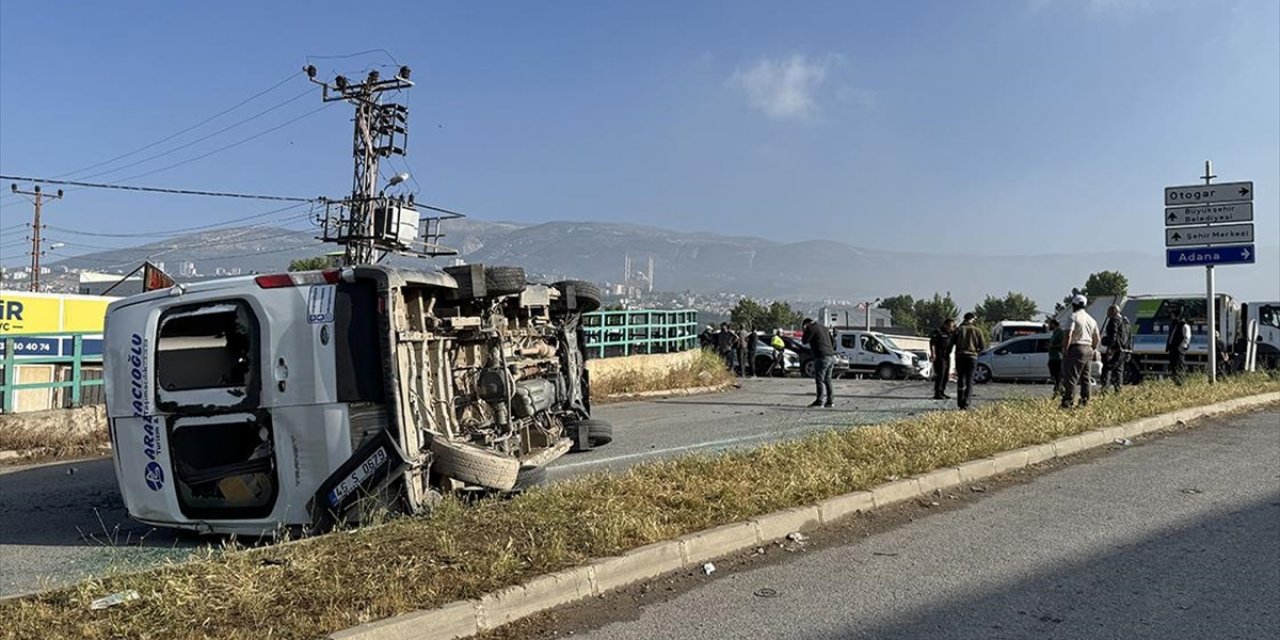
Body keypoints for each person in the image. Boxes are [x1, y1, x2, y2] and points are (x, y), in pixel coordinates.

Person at [1060, 294, 1100, 409]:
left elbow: (1068, 334)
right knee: (1085, 378)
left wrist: (1065, 349)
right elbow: (1097, 338)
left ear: (1073, 305)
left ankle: (1067, 402)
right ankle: (1084, 402)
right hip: (1088, 348)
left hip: (1076, 348)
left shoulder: (1073, 317)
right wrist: (1092, 348)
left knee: (1071, 377)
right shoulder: (1091, 320)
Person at [952, 313, 987, 410]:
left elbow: (951, 342)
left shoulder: (958, 329)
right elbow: (982, 347)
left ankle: (960, 402)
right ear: (972, 319)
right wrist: (976, 352)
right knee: (970, 380)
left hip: (960, 356)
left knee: (961, 379)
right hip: (972, 357)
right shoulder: (977, 330)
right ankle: (967, 403)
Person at [801, 318, 835, 408]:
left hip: (821, 356)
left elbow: (804, 341)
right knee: (828, 380)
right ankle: (830, 401)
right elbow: (833, 341)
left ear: (806, 324)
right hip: (831, 356)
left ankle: (819, 401)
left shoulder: (810, 328)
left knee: (819, 380)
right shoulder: (824, 327)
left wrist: (805, 330)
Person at [1098, 304, 1131, 393]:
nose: (1107, 314)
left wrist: (1106, 343)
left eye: (1108, 311)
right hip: (1124, 350)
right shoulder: (1126, 322)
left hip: (1115, 350)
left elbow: (1113, 336)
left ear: (1113, 311)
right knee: (1119, 371)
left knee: (1107, 368)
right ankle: (1118, 391)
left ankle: (1105, 390)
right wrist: (1129, 351)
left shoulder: (1114, 321)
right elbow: (1130, 337)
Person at [929, 318, 955, 400]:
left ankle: (942, 391)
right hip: (939, 356)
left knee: (946, 375)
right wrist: (933, 354)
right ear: (945, 325)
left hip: (947, 356)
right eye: (950, 326)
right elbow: (932, 344)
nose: (951, 328)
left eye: (952, 326)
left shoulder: (950, 333)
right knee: (941, 374)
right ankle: (937, 393)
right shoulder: (938, 332)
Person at [1166, 307, 1191, 385]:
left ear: (1177, 316)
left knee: (1179, 367)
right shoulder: (1173, 325)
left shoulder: (1184, 325)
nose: (1171, 317)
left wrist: (1180, 348)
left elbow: (1187, 338)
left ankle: (1180, 383)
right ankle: (1175, 382)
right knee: (1172, 367)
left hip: (1178, 351)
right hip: (1172, 350)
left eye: (1173, 315)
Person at [1046, 318, 1065, 397]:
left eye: (1050, 324)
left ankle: (1059, 392)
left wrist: (1053, 346)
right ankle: (1059, 391)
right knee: (1054, 376)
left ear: (1053, 324)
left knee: (1057, 376)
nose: (1049, 326)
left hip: (1057, 358)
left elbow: (1063, 343)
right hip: (1052, 357)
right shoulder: (1054, 333)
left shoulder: (1060, 332)